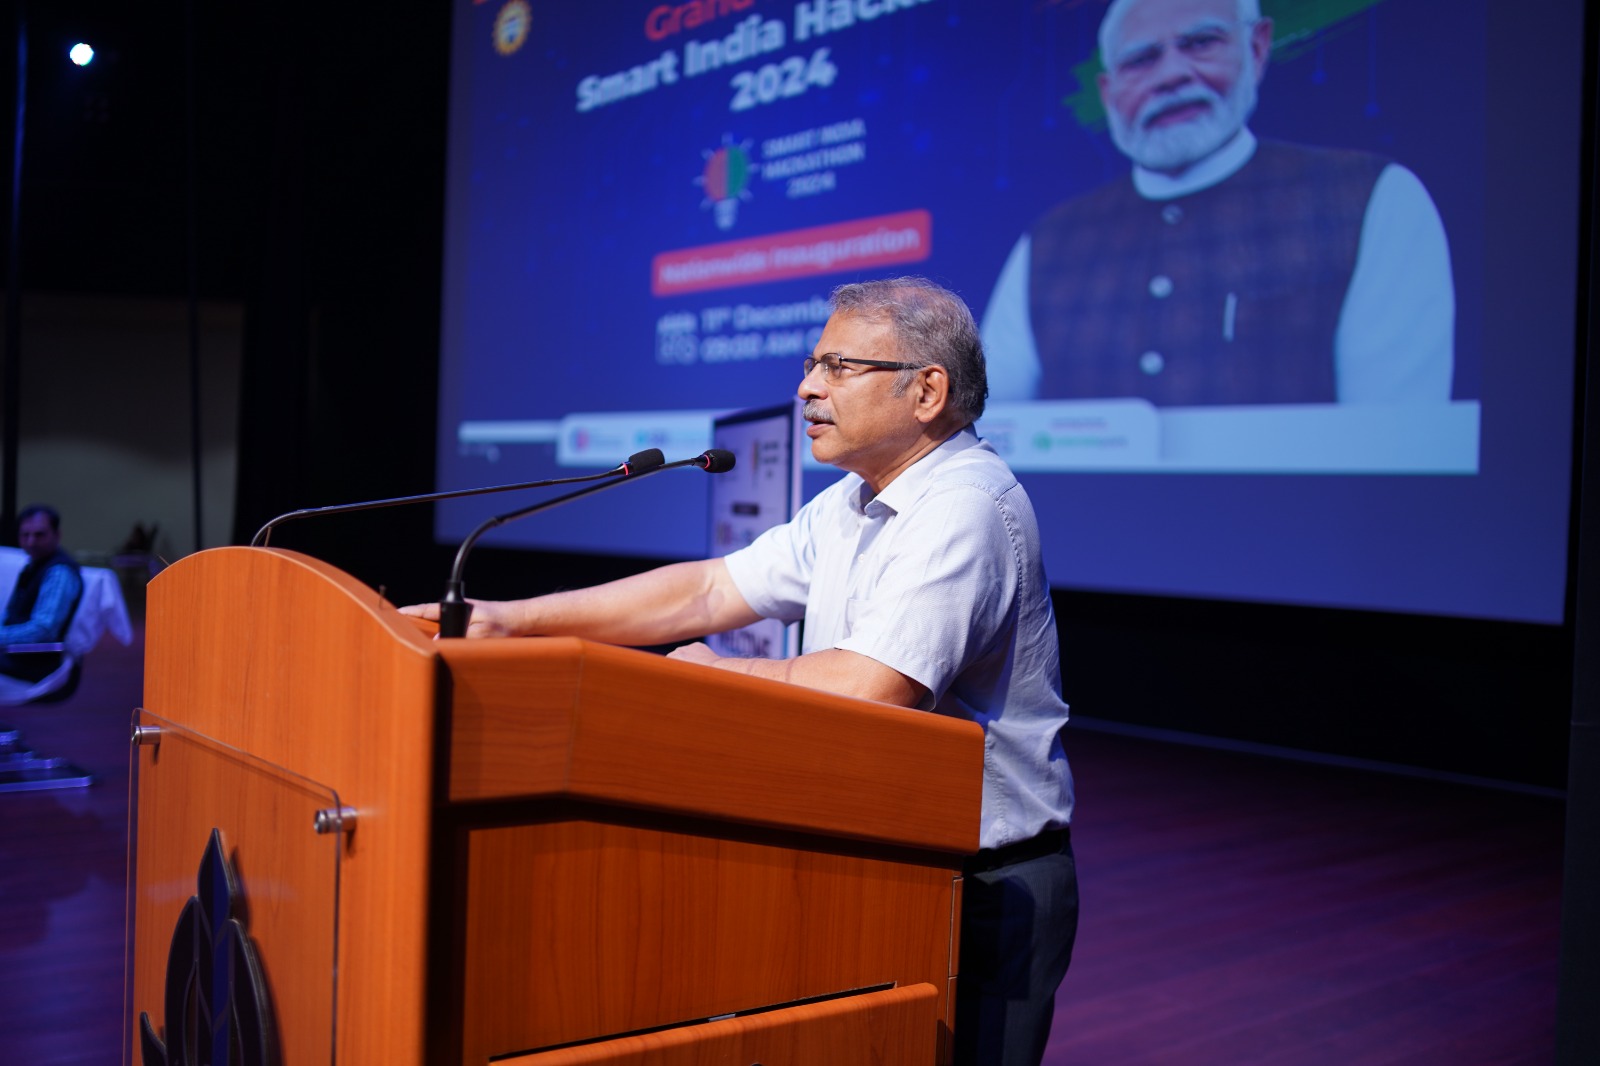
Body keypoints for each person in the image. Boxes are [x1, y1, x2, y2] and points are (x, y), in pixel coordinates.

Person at [404, 277, 1078, 1065]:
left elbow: (873, 687)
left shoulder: (965, 504)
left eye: (838, 366)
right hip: (887, 857)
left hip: (988, 882)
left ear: (927, 389)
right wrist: (511, 620)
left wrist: (711, 681)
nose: (806, 387)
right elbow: (710, 587)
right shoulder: (852, 503)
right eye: (810, 364)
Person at [982, 0, 1455, 406]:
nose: (1170, 75)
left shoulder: (1371, 199)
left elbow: (1396, 440)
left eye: (1201, 43)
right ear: (1108, 93)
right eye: (1141, 60)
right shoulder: (1047, 243)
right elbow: (991, 437)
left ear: (1256, 48)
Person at [0, 505, 84, 682]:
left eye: (39, 535)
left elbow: (44, 630)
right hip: (16, 652)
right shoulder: (34, 565)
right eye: (25, 535)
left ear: (57, 535)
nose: (31, 542)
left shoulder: (59, 572)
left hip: (33, 661)